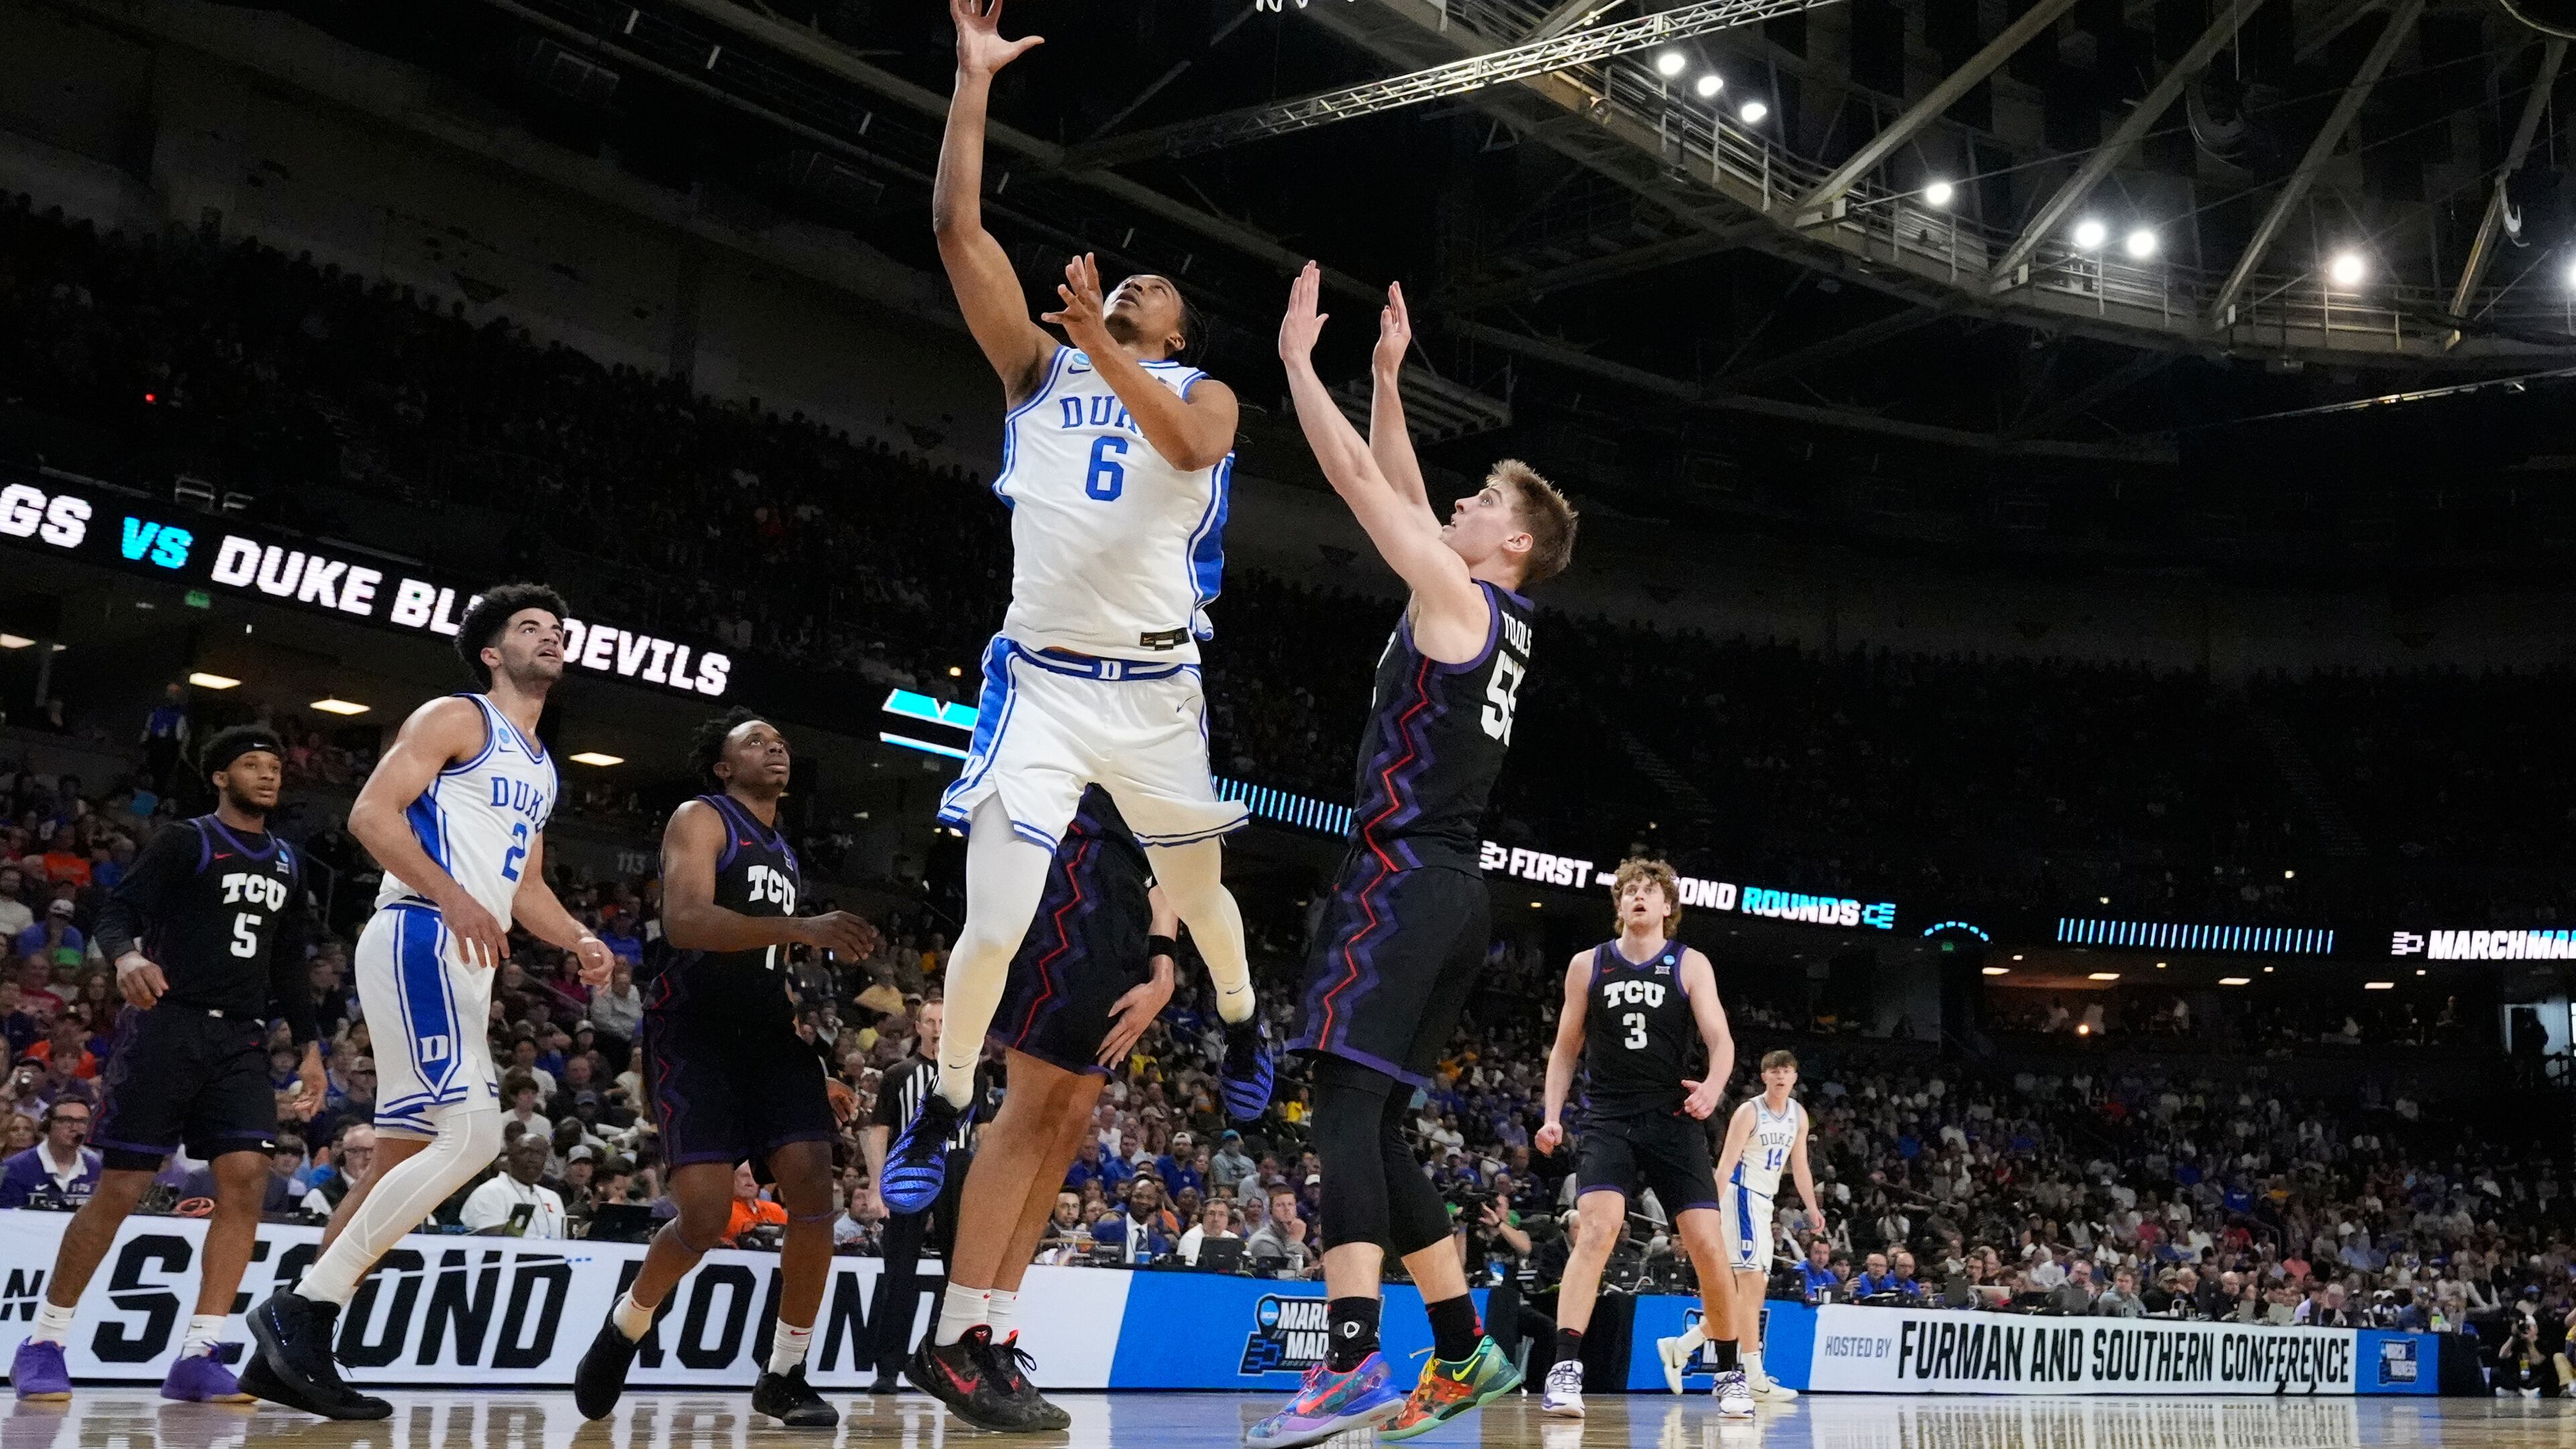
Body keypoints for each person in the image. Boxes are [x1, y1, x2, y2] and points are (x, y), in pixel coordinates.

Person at [883, 0, 1271, 1224]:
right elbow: (956, 229)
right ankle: (941, 1103)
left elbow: (1178, 445)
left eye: (1157, 289)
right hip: (1042, 681)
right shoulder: (1037, 370)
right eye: (1128, 281)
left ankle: (1251, 1026)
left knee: (1202, 898)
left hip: (1157, 691)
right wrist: (972, 82)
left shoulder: (1203, 391)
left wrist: (1108, 339)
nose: (1139, 276)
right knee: (993, 922)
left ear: (1176, 327)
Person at [1260, 268, 1577, 1448]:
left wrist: (1298, 368)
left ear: (1514, 541)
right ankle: (1462, 1351)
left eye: (1485, 494)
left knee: (1340, 1107)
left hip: (1400, 882)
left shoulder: (1458, 594)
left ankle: (1347, 1366)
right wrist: (1386, 380)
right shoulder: (1489, 615)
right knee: (1379, 1123)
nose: (1461, 496)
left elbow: (1357, 484)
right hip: (1454, 896)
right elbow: (1398, 485)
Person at [245, 584, 614, 1421]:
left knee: (407, 1158)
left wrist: (580, 938)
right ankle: (301, 1309)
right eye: (531, 629)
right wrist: (450, 896)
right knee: (478, 1134)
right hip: (421, 930)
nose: (552, 638)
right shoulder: (457, 717)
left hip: (463, 949)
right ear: (491, 652)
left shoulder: (541, 765)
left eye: (559, 629)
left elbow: (523, 887)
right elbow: (372, 816)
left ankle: (292, 1353)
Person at [572, 710, 873, 1428]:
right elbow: (687, 922)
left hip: (771, 1037)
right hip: (693, 1031)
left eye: (782, 740)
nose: (776, 747)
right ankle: (630, 1321)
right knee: (705, 1216)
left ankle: (786, 1372)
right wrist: (804, 928)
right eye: (757, 742)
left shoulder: (785, 851)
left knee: (812, 1189)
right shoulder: (700, 818)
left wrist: (818, 1065)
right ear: (722, 767)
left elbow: (769, 964)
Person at [9, 729, 323, 1404]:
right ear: (219, 776)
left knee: (246, 1179)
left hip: (240, 1039)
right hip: (168, 1027)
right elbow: (118, 909)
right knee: (122, 1186)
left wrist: (312, 1046)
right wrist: (126, 958)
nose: (267, 777)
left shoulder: (289, 862)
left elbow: (290, 961)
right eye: (251, 765)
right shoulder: (190, 840)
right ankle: (45, 1341)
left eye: (274, 767)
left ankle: (200, 1353)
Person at [909, 788, 1203, 1432]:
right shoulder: (1090, 703)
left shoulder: (1181, 717)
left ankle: (997, 1334)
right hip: (1070, 879)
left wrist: (1163, 964)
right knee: (1032, 1111)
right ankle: (955, 1334)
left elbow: (1179, 853)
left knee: (1065, 1128)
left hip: (1129, 910)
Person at [1533, 859, 1748, 1418]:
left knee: (1707, 1245)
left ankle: (1730, 1372)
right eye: (1629, 890)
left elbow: (1721, 1042)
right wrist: (1552, 1114)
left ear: (1668, 907)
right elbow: (1564, 1049)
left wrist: (1714, 1090)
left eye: (1649, 891)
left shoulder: (1689, 963)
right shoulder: (1588, 964)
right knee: (1596, 1230)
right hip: (1608, 1115)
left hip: (1673, 1115)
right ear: (1619, 905)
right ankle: (1564, 1370)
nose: (1638, 897)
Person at [865, 1001, 981, 1395]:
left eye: (944, 1022)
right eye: (930, 1021)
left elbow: (986, 1132)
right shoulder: (898, 1074)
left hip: (959, 1168)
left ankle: (954, 1367)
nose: (936, 1028)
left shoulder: (973, 1073)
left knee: (960, 1275)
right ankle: (887, 1369)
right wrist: (875, 1183)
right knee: (899, 1273)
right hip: (908, 1169)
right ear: (918, 1026)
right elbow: (879, 1130)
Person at [1714, 1050, 1825, 1399]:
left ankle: (1683, 1345)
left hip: (1764, 1202)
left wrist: (1812, 1207)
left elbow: (1801, 1167)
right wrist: (1709, 1208)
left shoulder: (1798, 1115)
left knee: (1754, 1290)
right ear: (1764, 1077)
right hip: (1742, 1196)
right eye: (1774, 1071)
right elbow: (1727, 1162)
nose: (1780, 1076)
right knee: (1750, 1286)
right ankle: (1753, 1374)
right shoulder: (1749, 1112)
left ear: (1794, 1078)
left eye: (1787, 1071)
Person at [460, 1135, 566, 1238]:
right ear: (510, 1158)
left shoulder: (552, 1197)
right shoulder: (489, 1192)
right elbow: (491, 1244)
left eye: (539, 1153)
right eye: (525, 1152)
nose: (532, 1159)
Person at [0, 1101, 98, 1210]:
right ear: (48, 1124)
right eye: (66, 1120)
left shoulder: (96, 1168)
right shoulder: (14, 1168)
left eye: (82, 1121)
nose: (75, 1128)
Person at [1248, 1186, 1313, 1276]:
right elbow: (1284, 1278)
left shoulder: (1289, 1233)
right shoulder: (1262, 1242)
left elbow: (1312, 1261)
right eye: (1280, 1205)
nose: (1287, 1209)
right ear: (1271, 1210)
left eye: (1291, 1204)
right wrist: (1295, 1241)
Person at [1179, 1197, 1240, 1265]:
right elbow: (1190, 1270)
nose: (1216, 1219)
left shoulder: (1232, 1238)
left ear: (1228, 1219)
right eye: (1211, 1214)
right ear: (1203, 1217)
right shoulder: (1191, 1238)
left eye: (1221, 1214)